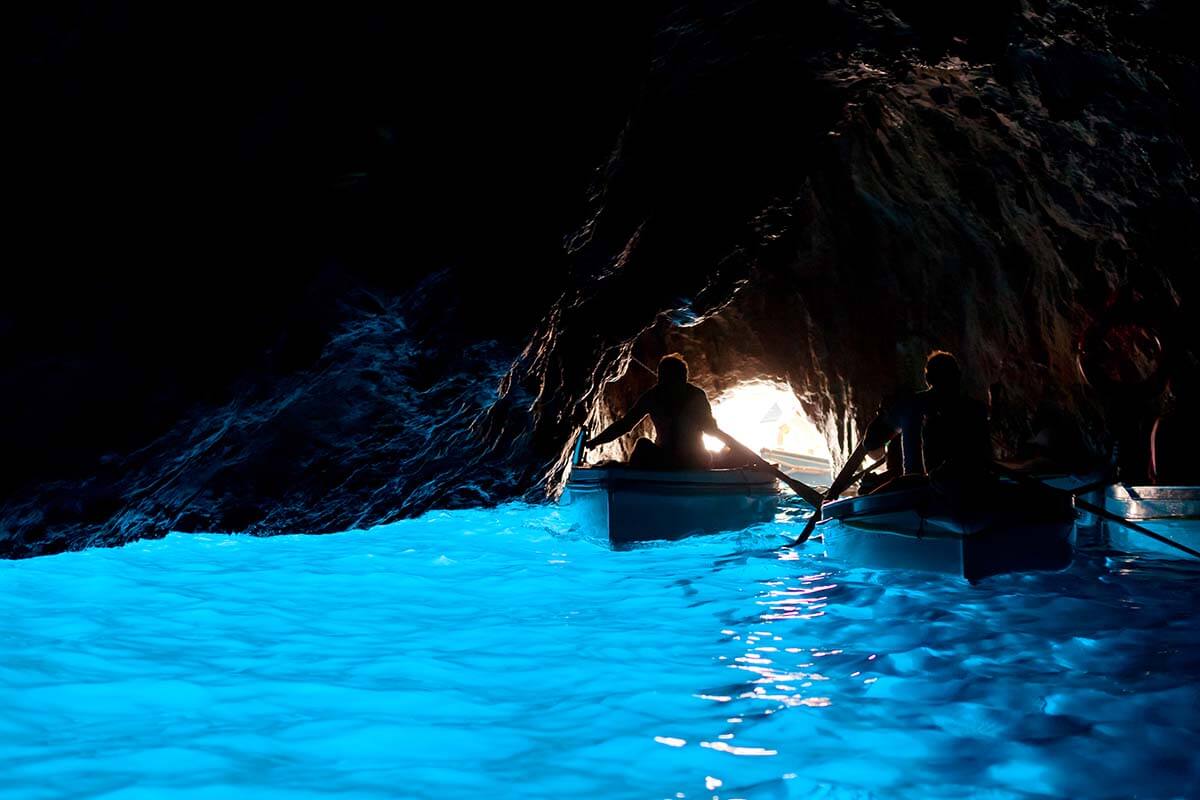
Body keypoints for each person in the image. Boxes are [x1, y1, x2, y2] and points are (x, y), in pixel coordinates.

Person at [584, 354, 750, 469]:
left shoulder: (658, 395)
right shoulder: (687, 395)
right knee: (642, 444)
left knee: (642, 444)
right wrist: (595, 442)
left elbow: (625, 425)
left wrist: (737, 450)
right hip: (689, 461)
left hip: (680, 461)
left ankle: (633, 477)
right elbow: (711, 430)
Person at [860, 350, 991, 492]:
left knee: (867, 489)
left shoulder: (910, 405)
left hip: (918, 489)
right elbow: (986, 457)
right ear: (958, 376)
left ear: (927, 378)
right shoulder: (977, 409)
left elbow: (870, 442)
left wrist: (884, 413)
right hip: (970, 487)